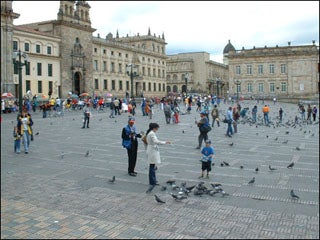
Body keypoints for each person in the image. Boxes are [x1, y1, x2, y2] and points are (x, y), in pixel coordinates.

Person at [145, 122, 171, 192]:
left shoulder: (149, 133)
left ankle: (153, 180)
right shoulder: (152, 133)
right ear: (154, 128)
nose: (157, 129)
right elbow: (156, 141)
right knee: (152, 166)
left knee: (152, 166)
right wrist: (165, 142)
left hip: (151, 149)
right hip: (152, 150)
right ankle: (152, 181)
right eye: (157, 128)